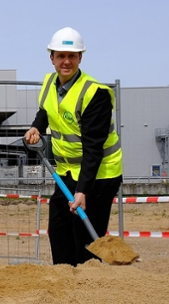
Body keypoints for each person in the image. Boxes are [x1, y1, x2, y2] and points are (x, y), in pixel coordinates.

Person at [24, 27, 123, 266]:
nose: (66, 61)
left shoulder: (94, 94)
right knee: (58, 231)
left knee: (85, 239)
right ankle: (64, 281)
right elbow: (46, 111)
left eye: (72, 56)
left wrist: (83, 191)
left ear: (80, 58)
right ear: (52, 58)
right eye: (61, 56)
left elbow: (94, 149)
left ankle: (89, 288)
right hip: (67, 172)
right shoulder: (49, 82)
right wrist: (37, 126)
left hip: (99, 174)